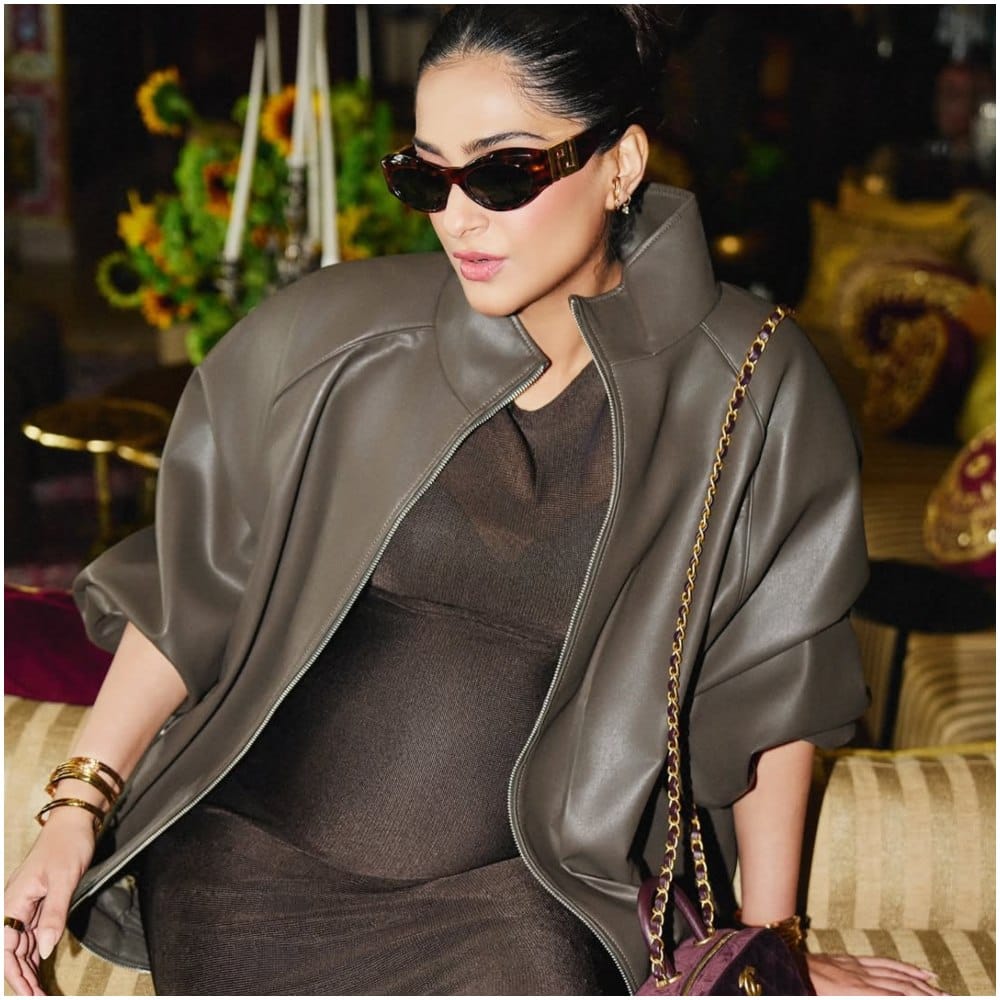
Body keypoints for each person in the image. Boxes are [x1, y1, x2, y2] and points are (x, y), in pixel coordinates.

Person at [5, 7, 945, 996]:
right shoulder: (334, 338)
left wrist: (770, 938)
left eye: (502, 174)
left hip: (532, 895)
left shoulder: (753, 383)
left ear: (621, 165)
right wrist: (74, 810)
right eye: (426, 177)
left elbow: (770, 686)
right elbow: (191, 589)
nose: (457, 217)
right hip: (246, 870)